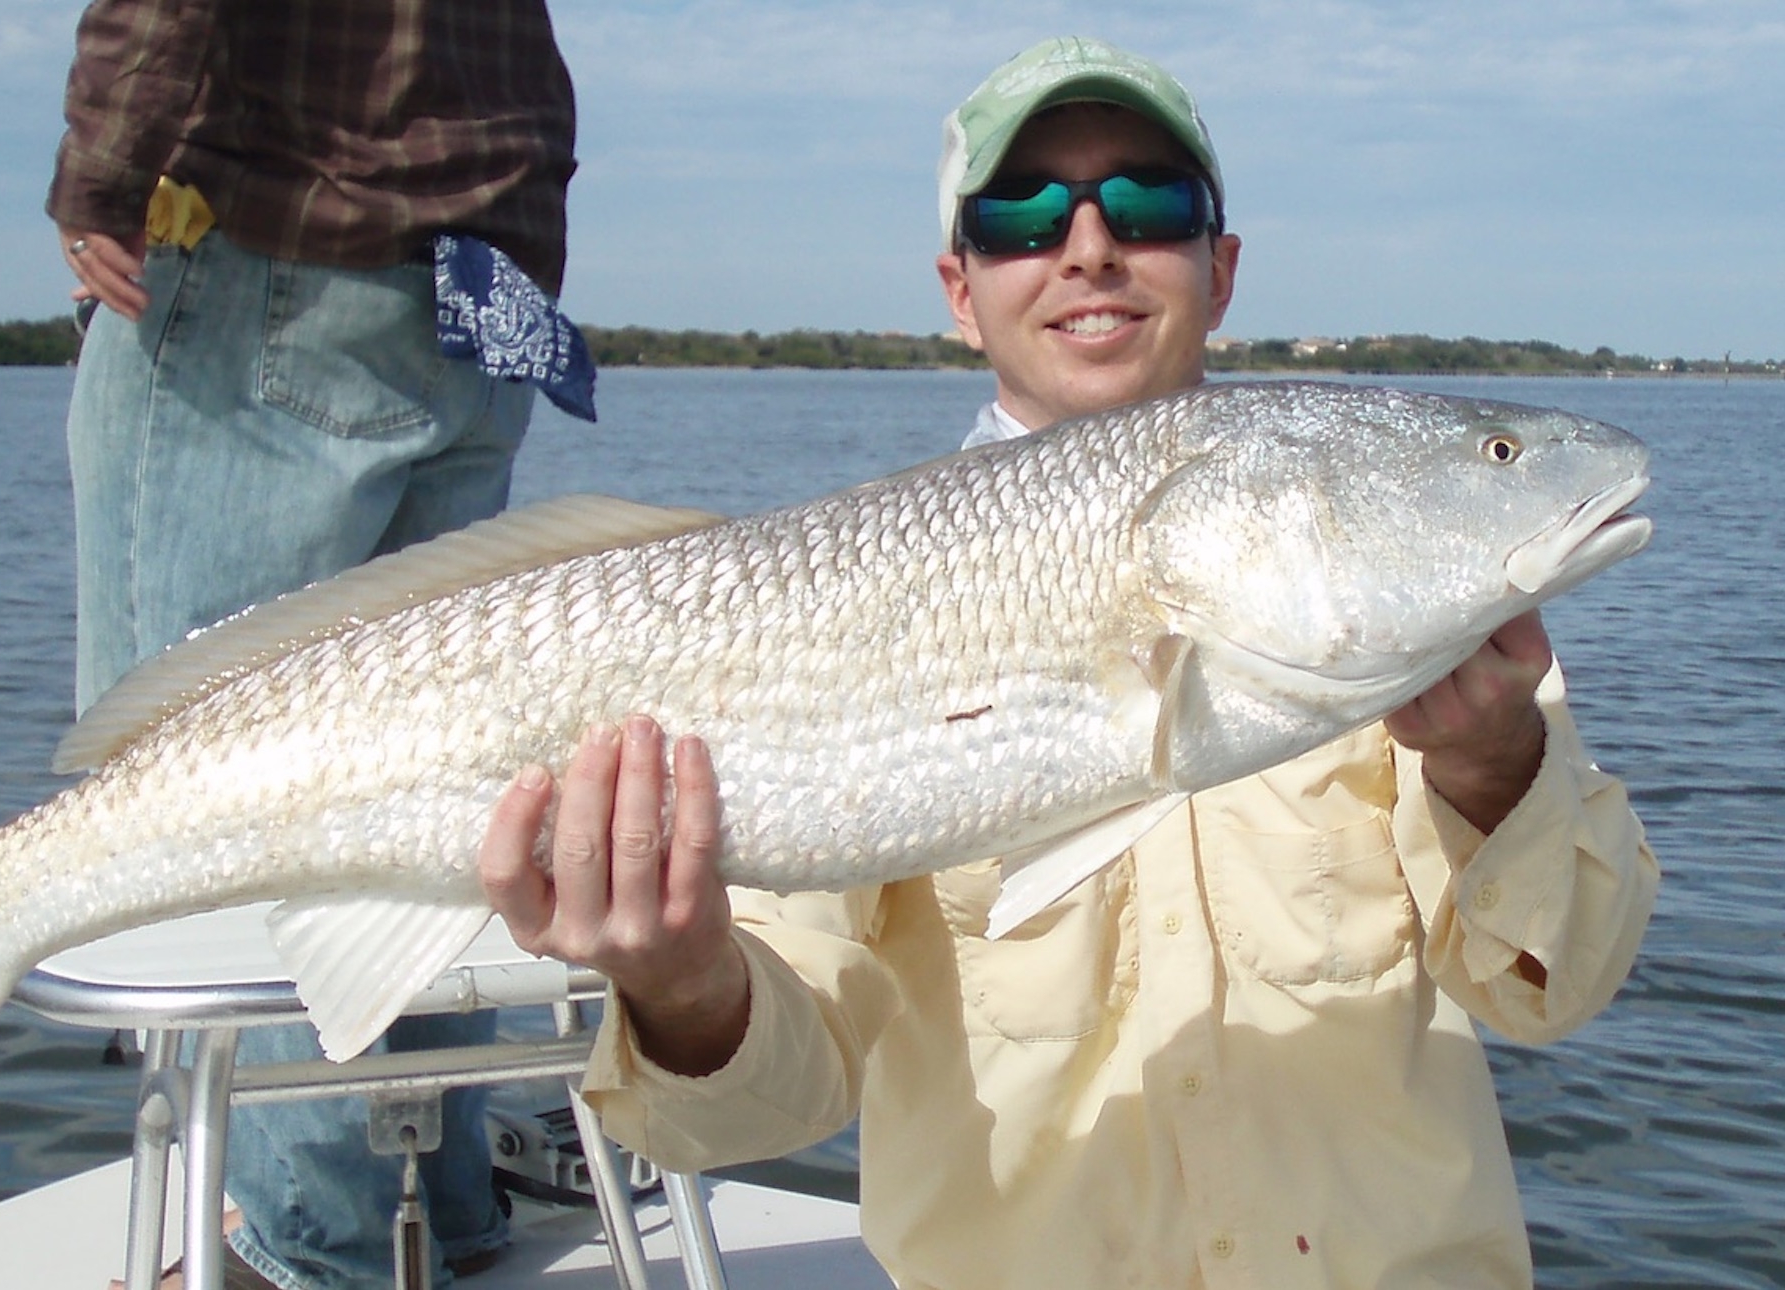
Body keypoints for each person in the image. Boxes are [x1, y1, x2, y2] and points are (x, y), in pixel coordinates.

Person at [476, 36, 1659, 1289]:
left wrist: (1495, 764)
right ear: (958, 286)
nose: (1088, 245)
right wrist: (677, 973)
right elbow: (754, 1110)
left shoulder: (1397, 617)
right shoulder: (850, 597)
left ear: (1223, 264)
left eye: (1146, 203)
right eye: (1024, 215)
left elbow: (1559, 987)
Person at [46, 2, 586, 1286]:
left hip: (284, 242)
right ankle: (444, 1205)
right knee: (432, 785)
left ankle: (309, 1249)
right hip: (490, 284)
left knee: (227, 801)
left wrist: (103, 178)